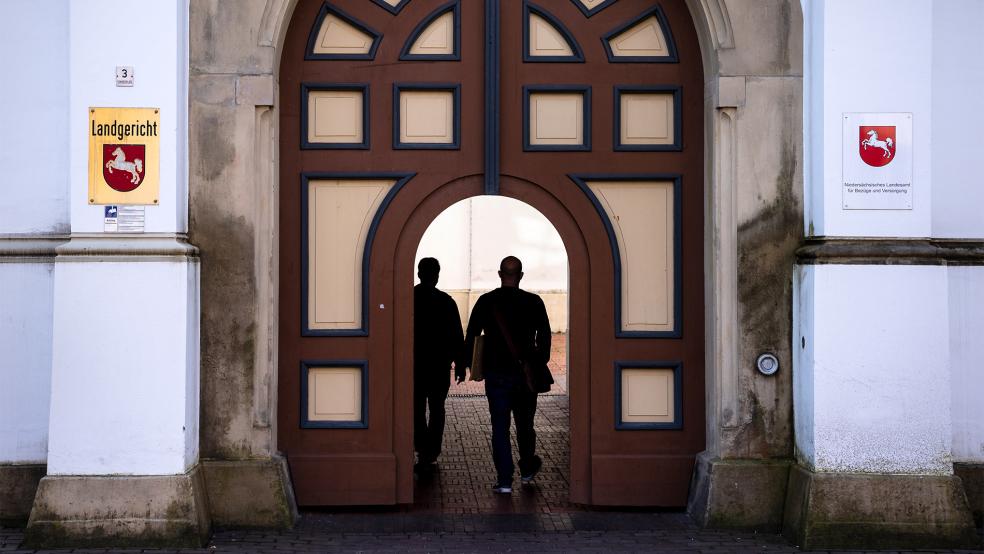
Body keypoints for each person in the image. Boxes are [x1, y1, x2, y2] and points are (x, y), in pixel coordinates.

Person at [459, 256, 551, 493]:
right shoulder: (534, 302)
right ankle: (527, 467)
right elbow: (545, 339)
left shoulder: (486, 301)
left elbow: (471, 335)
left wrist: (467, 365)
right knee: (525, 424)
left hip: (497, 373)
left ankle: (504, 480)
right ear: (521, 275)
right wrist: (536, 363)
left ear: (500, 274)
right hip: (525, 375)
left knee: (500, 427)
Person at [413, 257, 463, 468]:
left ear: (419, 274)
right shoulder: (446, 302)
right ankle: (431, 450)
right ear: (437, 275)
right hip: (439, 366)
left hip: (415, 366)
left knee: (416, 408)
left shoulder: (408, 298)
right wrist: (460, 364)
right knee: (437, 409)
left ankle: (421, 446)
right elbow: (457, 336)